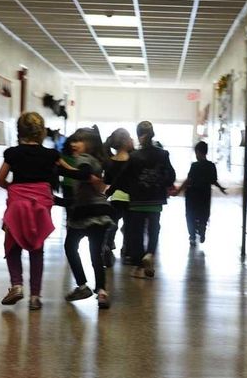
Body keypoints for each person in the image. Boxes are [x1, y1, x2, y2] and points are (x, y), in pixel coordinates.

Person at [0, 112, 59, 310]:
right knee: (37, 247)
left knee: (12, 246)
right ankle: (35, 296)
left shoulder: (12, 153)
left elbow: (0, 178)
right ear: (41, 132)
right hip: (40, 205)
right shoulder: (50, 155)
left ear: (19, 131)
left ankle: (16, 285)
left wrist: (12, 189)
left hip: (17, 205)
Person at [108, 121, 176, 279]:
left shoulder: (134, 156)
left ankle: (139, 265)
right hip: (155, 199)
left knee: (136, 233)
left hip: (137, 200)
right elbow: (171, 175)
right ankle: (150, 253)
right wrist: (161, 184)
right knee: (154, 228)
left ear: (138, 136)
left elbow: (121, 178)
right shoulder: (163, 154)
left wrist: (110, 192)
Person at [59, 128, 115, 309]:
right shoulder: (95, 161)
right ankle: (102, 292)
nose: (74, 144)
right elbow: (81, 193)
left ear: (89, 144)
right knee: (95, 254)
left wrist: (60, 167)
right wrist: (58, 201)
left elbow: (82, 174)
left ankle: (82, 285)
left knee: (70, 246)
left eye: (79, 141)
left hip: (85, 214)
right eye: (73, 141)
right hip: (100, 211)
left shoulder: (83, 159)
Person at [176, 141, 227, 246]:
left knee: (190, 215)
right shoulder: (211, 166)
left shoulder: (194, 165)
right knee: (203, 214)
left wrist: (179, 190)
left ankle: (192, 237)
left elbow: (188, 180)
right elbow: (213, 181)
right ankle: (202, 227)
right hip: (205, 195)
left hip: (192, 195)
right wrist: (221, 188)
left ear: (198, 152)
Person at [103, 128, 134, 265]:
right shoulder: (133, 160)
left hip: (115, 197)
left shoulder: (110, 161)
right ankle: (127, 250)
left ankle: (108, 245)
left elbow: (107, 181)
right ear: (127, 141)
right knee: (129, 225)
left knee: (113, 224)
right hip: (131, 197)